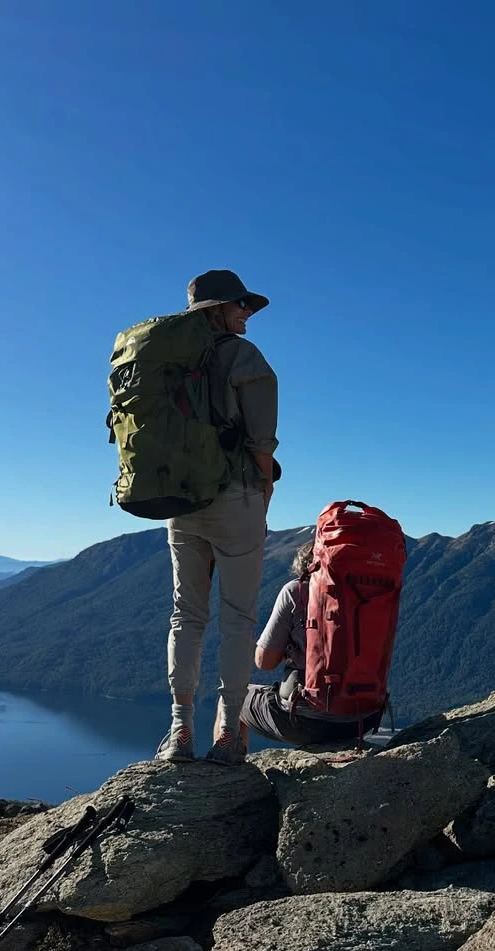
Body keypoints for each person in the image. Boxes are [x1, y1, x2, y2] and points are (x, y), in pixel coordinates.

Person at [157, 269, 279, 766]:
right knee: (237, 619)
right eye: (240, 306)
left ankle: (179, 730)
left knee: (186, 615)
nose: (247, 314)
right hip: (235, 498)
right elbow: (260, 443)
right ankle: (230, 732)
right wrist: (263, 492)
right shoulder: (244, 358)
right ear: (218, 310)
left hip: (180, 503)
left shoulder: (166, 362)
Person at [241, 544, 385, 746]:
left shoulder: (295, 591)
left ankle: (228, 763)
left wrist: (289, 650)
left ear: (305, 568)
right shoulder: (368, 592)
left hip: (304, 720)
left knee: (231, 697)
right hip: (363, 718)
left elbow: (264, 661)